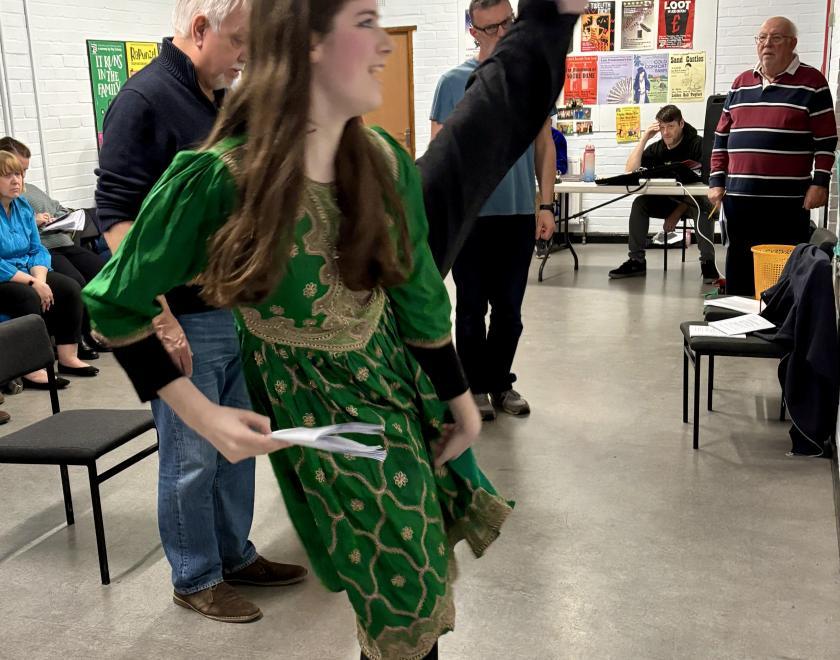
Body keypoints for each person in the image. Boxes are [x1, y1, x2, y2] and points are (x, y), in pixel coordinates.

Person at [84, 0, 584, 656]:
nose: (383, 45)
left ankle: (553, 14)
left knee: (419, 566)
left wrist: (460, 403)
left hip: (395, 384)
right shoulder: (219, 177)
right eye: (366, 23)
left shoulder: (378, 158)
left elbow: (420, 296)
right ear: (308, 44)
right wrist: (201, 414)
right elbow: (114, 300)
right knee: (403, 584)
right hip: (322, 408)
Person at [95, 0, 307, 623]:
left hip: (231, 309)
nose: (246, 56)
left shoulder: (213, 100)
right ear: (198, 30)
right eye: (239, 41)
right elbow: (115, 218)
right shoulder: (145, 101)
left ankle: (235, 555)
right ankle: (195, 575)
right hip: (183, 315)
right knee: (190, 455)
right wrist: (158, 317)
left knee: (235, 444)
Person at [430, 0, 556, 421]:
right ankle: (475, 388)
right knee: (469, 309)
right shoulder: (453, 83)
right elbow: (439, 155)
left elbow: (544, 145)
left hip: (518, 214)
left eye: (509, 24)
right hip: (471, 217)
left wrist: (546, 204)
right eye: (491, 28)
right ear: (473, 32)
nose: (502, 34)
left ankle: (500, 382)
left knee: (510, 312)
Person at [709, 16, 837, 296]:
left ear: (792, 43)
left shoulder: (812, 82)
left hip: (787, 202)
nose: (767, 44)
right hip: (740, 200)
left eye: (776, 38)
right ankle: (738, 329)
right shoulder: (741, 83)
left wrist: (820, 183)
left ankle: (777, 331)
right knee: (739, 269)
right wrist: (716, 182)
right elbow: (721, 137)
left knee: (783, 271)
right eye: (762, 38)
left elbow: (826, 141)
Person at [0, 137, 108, 359]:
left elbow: (36, 248)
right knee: (39, 292)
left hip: (41, 259)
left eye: (19, 174)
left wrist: (39, 277)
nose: (17, 180)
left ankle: (71, 355)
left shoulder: (22, 204)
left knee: (80, 281)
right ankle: (36, 363)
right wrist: (33, 281)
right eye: (9, 174)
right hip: (10, 274)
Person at [609, 104, 717, 281]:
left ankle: (708, 263)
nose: (666, 132)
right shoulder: (658, 148)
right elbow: (629, 170)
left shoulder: (698, 145)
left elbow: (703, 186)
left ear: (681, 124)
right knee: (640, 204)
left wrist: (676, 214)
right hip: (666, 201)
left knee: (704, 206)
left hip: (691, 202)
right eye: (662, 127)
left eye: (671, 126)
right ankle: (636, 260)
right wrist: (644, 138)